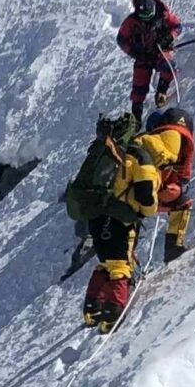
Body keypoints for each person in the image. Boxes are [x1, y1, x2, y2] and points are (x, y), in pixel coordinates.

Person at [63, 111, 185, 330]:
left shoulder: (124, 150)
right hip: (121, 216)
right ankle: (113, 313)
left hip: (97, 211)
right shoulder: (145, 156)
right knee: (120, 264)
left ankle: (92, 309)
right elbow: (146, 193)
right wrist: (149, 209)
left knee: (105, 262)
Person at [116, 0, 182, 119]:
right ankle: (136, 117)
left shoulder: (164, 16)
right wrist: (133, 51)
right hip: (142, 57)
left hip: (160, 52)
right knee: (139, 87)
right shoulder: (131, 22)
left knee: (168, 67)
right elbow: (121, 40)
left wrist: (169, 36)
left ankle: (162, 91)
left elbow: (178, 26)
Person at [147, 105, 195, 260]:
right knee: (183, 203)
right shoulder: (183, 149)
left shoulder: (148, 143)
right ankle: (173, 249)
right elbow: (182, 178)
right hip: (155, 194)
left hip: (138, 195)